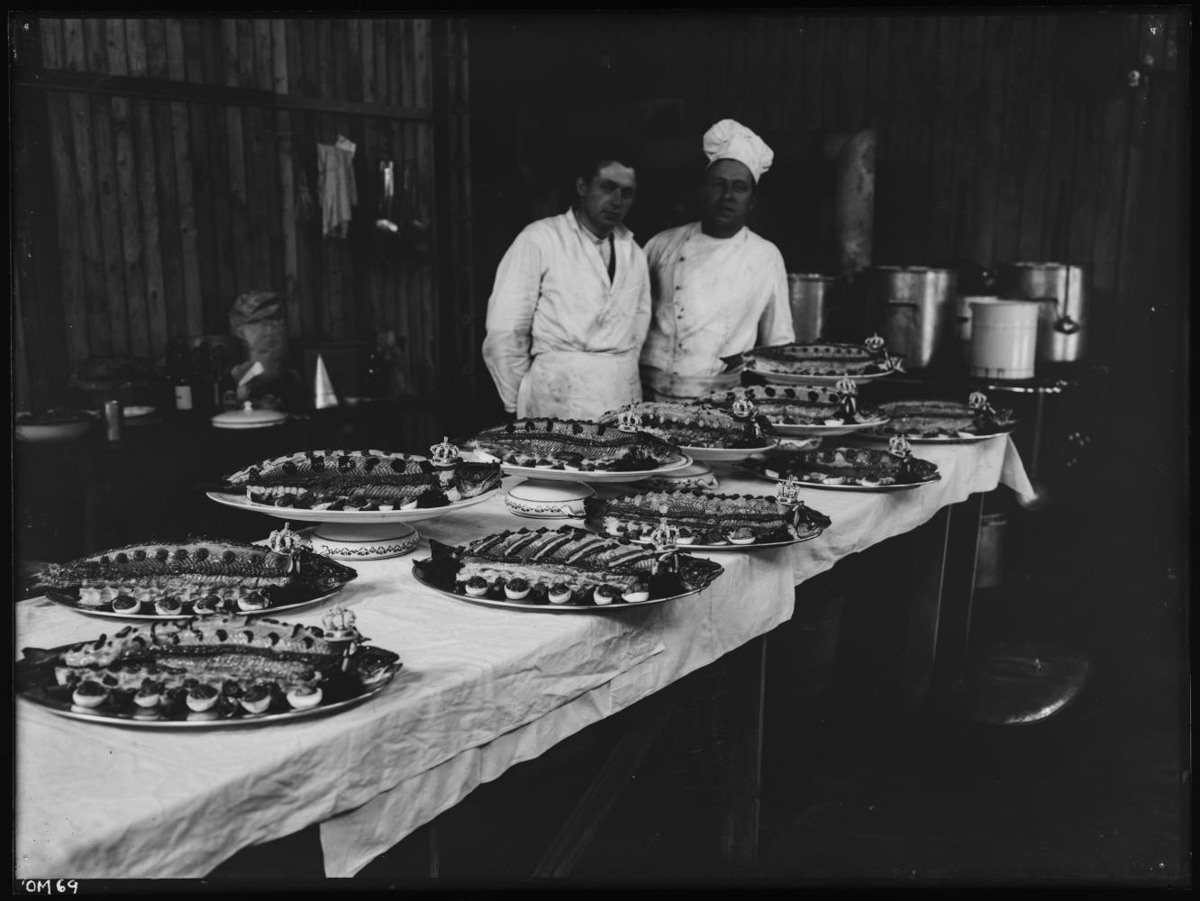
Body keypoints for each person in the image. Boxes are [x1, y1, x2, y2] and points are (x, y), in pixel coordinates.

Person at [481, 145, 652, 420]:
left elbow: (639, 328)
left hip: (621, 394)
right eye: (607, 187)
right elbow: (506, 329)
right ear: (582, 187)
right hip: (556, 396)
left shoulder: (634, 252)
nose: (617, 200)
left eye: (627, 192)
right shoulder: (540, 238)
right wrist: (517, 402)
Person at [639, 119, 794, 400]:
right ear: (702, 191)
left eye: (739, 187)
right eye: (718, 184)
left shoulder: (766, 256)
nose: (727, 196)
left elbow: (778, 344)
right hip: (651, 394)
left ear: (752, 201)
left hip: (722, 400)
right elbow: (630, 320)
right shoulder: (662, 245)